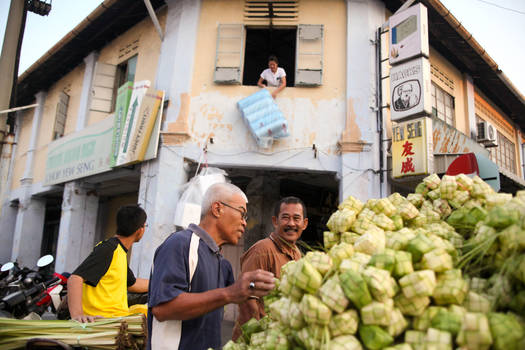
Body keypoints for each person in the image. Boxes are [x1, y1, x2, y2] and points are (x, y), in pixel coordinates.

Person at [148, 183, 275, 350]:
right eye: (242, 214)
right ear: (217, 209)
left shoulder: (223, 265)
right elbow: (163, 309)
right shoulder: (180, 244)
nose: (245, 223)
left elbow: (241, 300)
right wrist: (230, 293)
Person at [232, 196, 308, 341]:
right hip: (259, 338)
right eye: (285, 217)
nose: (291, 223)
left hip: (279, 337)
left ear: (304, 224)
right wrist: (257, 338)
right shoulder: (262, 250)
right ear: (275, 221)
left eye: (296, 218)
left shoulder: (297, 253)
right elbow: (247, 298)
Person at [67, 205, 149, 323]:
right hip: (105, 321)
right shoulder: (108, 249)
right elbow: (75, 279)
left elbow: (132, 283)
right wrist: (78, 315)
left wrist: (160, 284)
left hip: (118, 319)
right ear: (140, 230)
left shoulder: (119, 251)